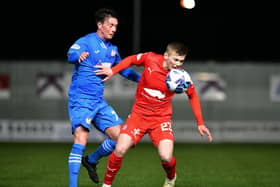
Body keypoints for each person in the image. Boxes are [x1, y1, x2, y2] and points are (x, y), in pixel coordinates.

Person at [94, 41, 213, 187]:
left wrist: (200, 123)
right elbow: (131, 59)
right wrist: (113, 70)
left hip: (160, 119)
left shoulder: (181, 76)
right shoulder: (150, 59)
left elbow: (193, 95)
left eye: (181, 61)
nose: (178, 64)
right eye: (175, 59)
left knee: (166, 157)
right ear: (166, 55)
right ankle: (106, 185)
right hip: (138, 116)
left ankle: (171, 178)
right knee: (120, 148)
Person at [66, 8, 140, 187]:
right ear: (100, 25)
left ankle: (91, 160)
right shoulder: (87, 41)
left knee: (122, 138)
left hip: (98, 102)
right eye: (110, 25)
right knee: (81, 138)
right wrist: (78, 55)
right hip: (81, 99)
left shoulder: (112, 50)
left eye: (116, 26)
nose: (114, 29)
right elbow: (70, 54)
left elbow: (124, 70)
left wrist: (144, 79)